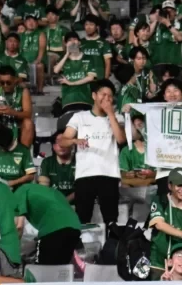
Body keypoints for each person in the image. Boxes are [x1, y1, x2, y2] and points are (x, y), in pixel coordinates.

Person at [54, 80, 127, 228]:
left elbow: (120, 139)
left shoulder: (116, 118)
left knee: (111, 220)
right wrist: (75, 140)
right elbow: (63, 141)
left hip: (109, 174)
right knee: (83, 219)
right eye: (103, 94)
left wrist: (110, 114)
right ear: (94, 95)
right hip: (85, 174)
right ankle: (82, 249)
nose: (106, 98)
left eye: (110, 96)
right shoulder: (80, 117)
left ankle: (111, 249)